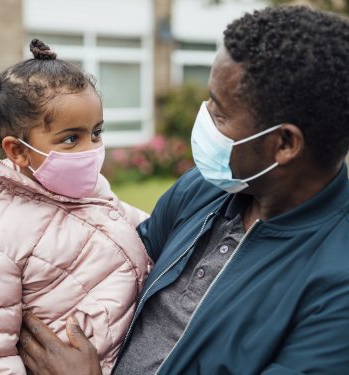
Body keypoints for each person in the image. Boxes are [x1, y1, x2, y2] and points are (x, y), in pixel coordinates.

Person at [19, 5, 349, 375]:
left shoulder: (337, 286)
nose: (203, 116)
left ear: (284, 144)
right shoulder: (206, 187)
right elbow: (113, 267)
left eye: (220, 113)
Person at [0, 39, 153, 375]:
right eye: (71, 139)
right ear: (18, 151)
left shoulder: (92, 190)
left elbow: (149, 230)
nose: (92, 149)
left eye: (96, 133)